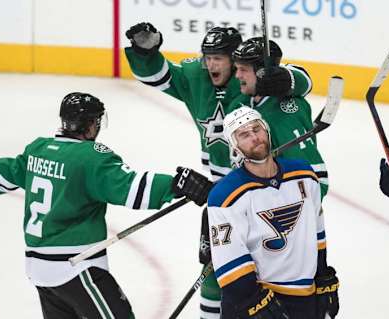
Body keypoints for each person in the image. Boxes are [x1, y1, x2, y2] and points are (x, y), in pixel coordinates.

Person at [0, 92, 212, 319]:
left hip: (39, 270)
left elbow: (6, 172)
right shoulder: (90, 158)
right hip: (75, 267)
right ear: (91, 124)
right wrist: (177, 184)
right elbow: (129, 188)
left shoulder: (39, 150)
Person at [125, 22, 313, 318]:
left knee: (259, 272)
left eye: (218, 58)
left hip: (259, 195)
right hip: (221, 197)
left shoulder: (253, 83)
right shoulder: (196, 77)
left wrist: (285, 78)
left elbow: (301, 82)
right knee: (214, 276)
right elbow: (158, 76)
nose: (210, 64)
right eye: (207, 57)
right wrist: (145, 51)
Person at [208, 106, 339, 319]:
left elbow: (317, 232)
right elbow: (228, 259)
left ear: (267, 131)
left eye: (256, 129)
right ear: (235, 147)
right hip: (255, 302)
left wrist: (322, 274)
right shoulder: (225, 195)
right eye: (244, 134)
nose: (254, 137)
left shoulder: (304, 174)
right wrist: (252, 302)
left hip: (304, 295)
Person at [229, 37, 329, 198]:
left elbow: (317, 179)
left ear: (262, 73)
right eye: (237, 69)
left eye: (243, 70)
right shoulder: (238, 105)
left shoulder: (287, 112)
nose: (237, 75)